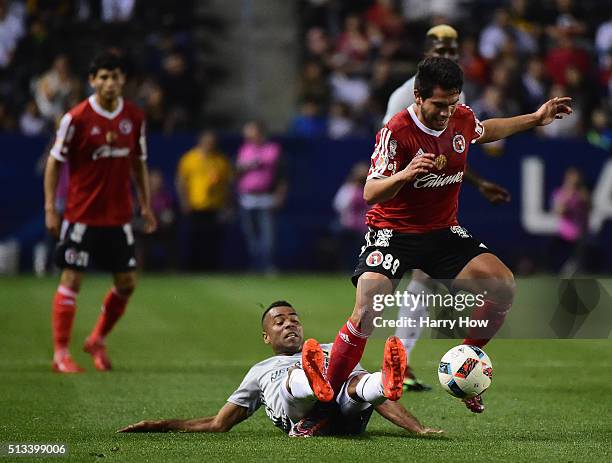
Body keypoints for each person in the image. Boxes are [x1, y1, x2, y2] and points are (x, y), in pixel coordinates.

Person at [322, 57, 572, 415]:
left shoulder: (461, 117)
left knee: (503, 286)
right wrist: (405, 174)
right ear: (418, 96)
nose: (445, 113)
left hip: (441, 232)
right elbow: (371, 192)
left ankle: (466, 368)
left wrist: (535, 118)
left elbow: (484, 130)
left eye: (451, 104)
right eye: (439, 105)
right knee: (366, 310)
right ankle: (326, 399)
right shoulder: (396, 130)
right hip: (393, 232)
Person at [383, 25, 511, 392]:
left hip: (436, 203)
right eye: (441, 48)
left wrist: (479, 182)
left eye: (454, 48)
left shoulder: (455, 91)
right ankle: (387, 366)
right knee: (387, 288)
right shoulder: (402, 97)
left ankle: (398, 363)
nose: (449, 54)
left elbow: (453, 149)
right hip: (404, 205)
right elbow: (388, 151)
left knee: (422, 281)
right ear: (427, 51)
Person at [118, 301, 442, 437]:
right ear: (266, 336)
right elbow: (219, 424)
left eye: (294, 320)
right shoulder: (261, 370)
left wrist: (418, 428)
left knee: (360, 385)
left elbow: (382, 402)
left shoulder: (331, 350)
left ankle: (385, 379)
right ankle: (314, 381)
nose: (290, 325)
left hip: (345, 417)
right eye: (280, 322)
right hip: (299, 416)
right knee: (296, 381)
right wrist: (162, 424)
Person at [43, 51, 157, 373]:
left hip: (119, 217)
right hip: (81, 216)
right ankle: (61, 354)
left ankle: (96, 339)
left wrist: (145, 205)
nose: (109, 83)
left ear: (124, 80)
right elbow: (54, 162)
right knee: (71, 279)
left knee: (127, 283)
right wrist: (51, 208)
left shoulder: (134, 117)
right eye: (103, 77)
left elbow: (138, 163)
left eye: (115, 76)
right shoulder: (76, 118)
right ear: (92, 81)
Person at [176, 131, 232, 271]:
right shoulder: (190, 158)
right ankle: (193, 268)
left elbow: (227, 184)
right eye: (207, 142)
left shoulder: (220, 160)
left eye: (212, 142)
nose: (210, 145)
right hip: (195, 206)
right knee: (194, 239)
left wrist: (226, 205)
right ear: (200, 142)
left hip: (215, 206)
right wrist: (184, 201)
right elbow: (181, 181)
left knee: (213, 240)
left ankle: (211, 268)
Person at [236, 121, 287, 274]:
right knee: (251, 237)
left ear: (259, 133)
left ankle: (267, 266)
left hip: (266, 198)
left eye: (250, 132)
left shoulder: (272, 148)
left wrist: (280, 194)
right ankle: (255, 266)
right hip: (247, 198)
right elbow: (238, 169)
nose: (247, 135)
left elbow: (281, 173)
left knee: (268, 237)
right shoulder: (244, 149)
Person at [550, 167, 590, 276]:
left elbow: (588, 209)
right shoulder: (559, 193)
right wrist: (568, 195)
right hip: (563, 236)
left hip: (579, 237)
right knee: (562, 269)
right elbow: (560, 211)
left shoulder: (582, 195)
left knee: (576, 268)